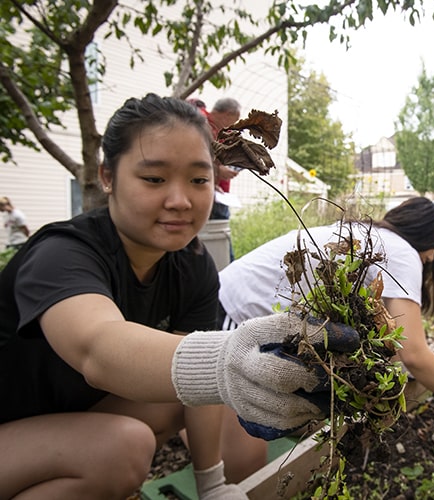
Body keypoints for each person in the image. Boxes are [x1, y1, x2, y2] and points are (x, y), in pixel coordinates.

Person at [0, 93, 348, 499]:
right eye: (154, 179)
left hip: (65, 421)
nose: (180, 201)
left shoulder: (192, 264)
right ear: (108, 177)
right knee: (122, 448)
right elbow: (98, 348)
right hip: (11, 429)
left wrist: (213, 486)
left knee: (199, 398)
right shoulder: (62, 253)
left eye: (199, 180)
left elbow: (195, 381)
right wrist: (222, 358)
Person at [216, 197, 434, 479]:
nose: (432, 258)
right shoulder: (402, 252)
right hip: (237, 310)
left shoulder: (371, 236)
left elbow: (391, 335)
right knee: (248, 454)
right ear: (426, 238)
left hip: (227, 294)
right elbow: (415, 354)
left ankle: (202, 431)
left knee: (206, 404)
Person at [188, 97, 242, 262]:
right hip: (207, 194)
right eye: (235, 120)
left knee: (218, 239)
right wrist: (218, 170)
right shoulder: (200, 123)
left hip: (215, 190)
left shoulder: (216, 129)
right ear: (227, 114)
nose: (234, 125)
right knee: (217, 241)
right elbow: (193, 154)